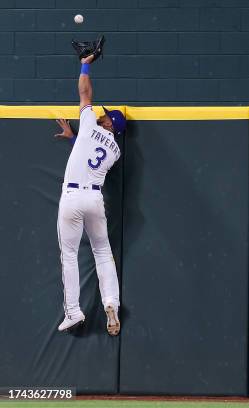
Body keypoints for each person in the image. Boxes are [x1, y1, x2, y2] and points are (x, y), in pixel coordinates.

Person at [53, 53, 126, 336]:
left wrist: (85, 63)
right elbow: (91, 156)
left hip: (72, 198)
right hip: (95, 199)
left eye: (106, 116)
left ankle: (73, 311)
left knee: (69, 255)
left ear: (110, 124)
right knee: (103, 253)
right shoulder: (116, 152)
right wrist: (75, 139)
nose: (102, 115)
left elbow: (84, 90)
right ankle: (111, 304)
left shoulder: (88, 125)